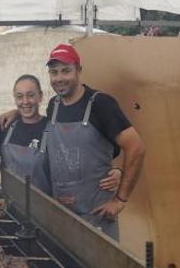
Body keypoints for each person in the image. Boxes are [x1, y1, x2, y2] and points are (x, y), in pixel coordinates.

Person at [33, 43, 146, 241]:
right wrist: (16, 112)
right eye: (54, 72)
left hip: (96, 217)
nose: (59, 78)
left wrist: (120, 199)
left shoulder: (101, 104)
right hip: (62, 213)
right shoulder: (54, 105)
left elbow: (135, 147)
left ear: (79, 71)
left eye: (66, 71)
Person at [1, 74, 122, 191]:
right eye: (19, 96)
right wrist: (16, 112)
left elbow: (83, 156)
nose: (25, 101)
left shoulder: (54, 129)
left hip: (42, 206)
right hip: (8, 206)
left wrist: (116, 171)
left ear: (40, 96)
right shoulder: (6, 126)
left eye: (31, 95)